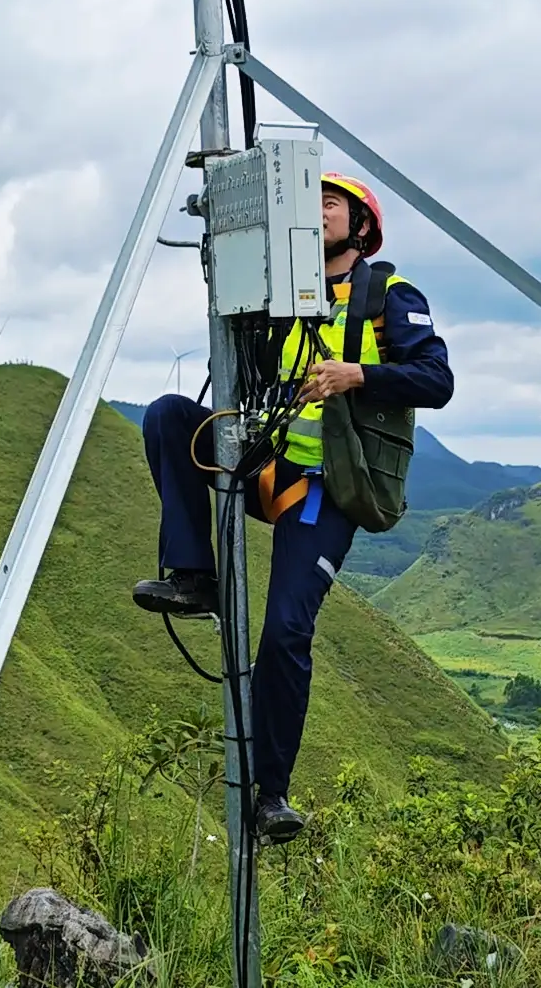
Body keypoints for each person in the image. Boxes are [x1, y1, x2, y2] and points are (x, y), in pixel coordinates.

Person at [132, 172, 454, 843]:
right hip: (264, 464)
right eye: (308, 206)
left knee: (284, 633)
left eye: (331, 205)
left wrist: (356, 375)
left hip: (325, 490)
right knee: (168, 416)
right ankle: (196, 577)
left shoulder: (388, 295)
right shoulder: (280, 296)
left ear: (362, 226)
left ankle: (271, 792)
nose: (318, 214)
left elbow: (437, 379)